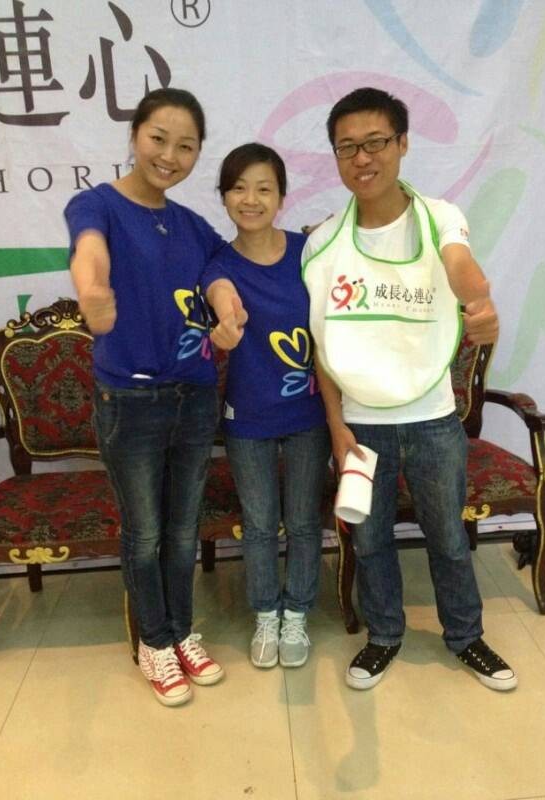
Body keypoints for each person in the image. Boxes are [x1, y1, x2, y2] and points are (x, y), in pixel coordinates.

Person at [303, 87, 517, 692]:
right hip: (361, 424)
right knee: (370, 542)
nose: (362, 158)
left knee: (447, 537)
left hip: (432, 418)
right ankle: (384, 636)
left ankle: (466, 637)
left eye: (375, 142)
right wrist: (337, 426)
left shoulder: (438, 217)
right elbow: (322, 348)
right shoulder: (323, 243)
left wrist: (479, 302)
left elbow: (459, 266)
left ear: (402, 143)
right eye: (347, 147)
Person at [64, 88, 245, 707]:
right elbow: (89, 250)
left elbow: (218, 272)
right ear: (134, 135)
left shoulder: (190, 224)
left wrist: (227, 307)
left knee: (182, 528)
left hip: (194, 395)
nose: (170, 156)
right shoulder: (98, 204)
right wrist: (92, 291)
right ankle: (153, 641)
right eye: (158, 139)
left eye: (186, 146)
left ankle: (181, 631)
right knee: (144, 532)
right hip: (130, 400)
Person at [202, 143, 331, 669]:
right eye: (238, 188)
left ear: (281, 196)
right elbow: (220, 292)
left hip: (309, 415)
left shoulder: (309, 252)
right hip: (248, 418)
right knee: (258, 525)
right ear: (224, 196)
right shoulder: (219, 263)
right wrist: (227, 317)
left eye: (263, 188)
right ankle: (265, 614)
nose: (250, 199)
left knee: (302, 522)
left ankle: (296, 612)